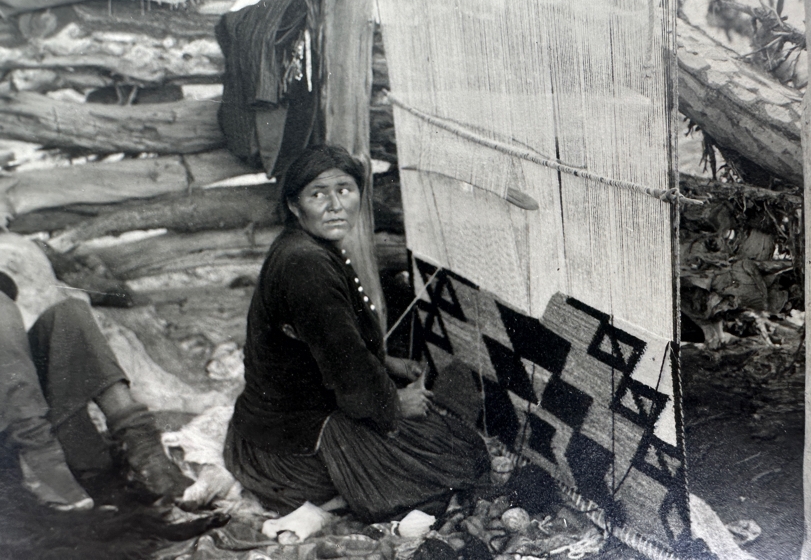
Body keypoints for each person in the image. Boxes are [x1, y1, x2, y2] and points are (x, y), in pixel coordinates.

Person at [225, 144, 490, 522]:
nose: (335, 205)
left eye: (344, 190)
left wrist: (385, 362)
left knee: (451, 445)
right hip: (290, 448)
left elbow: (331, 340)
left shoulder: (308, 246)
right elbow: (345, 365)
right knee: (458, 458)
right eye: (318, 194)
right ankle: (331, 492)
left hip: (273, 427)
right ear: (295, 206)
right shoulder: (306, 263)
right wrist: (395, 404)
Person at [0, 232, 191, 511]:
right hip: (17, 437)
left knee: (70, 315)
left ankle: (144, 450)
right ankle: (40, 461)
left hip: (22, 412)